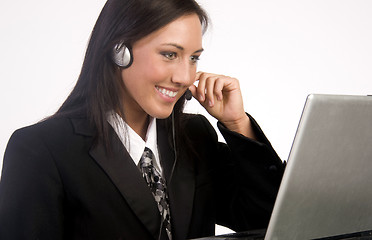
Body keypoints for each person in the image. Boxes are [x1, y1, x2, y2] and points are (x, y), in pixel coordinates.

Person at [0, 0, 285, 239]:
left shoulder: (195, 136)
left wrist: (237, 125)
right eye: (170, 54)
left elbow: (268, 221)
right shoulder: (41, 149)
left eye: (194, 58)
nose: (185, 77)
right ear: (119, 51)